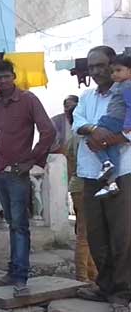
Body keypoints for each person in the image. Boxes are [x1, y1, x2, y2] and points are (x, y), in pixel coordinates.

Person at [0, 60, 55, 297]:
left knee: (20, 226)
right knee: (12, 222)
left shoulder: (28, 100)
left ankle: (21, 277)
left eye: (6, 77)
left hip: (17, 171)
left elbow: (49, 131)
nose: (2, 81)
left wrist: (32, 160)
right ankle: (12, 272)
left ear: (13, 76)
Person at [73, 46, 131, 311]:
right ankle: (104, 285)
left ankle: (122, 290)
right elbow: (77, 122)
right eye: (91, 66)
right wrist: (96, 131)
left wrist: (109, 138)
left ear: (114, 64)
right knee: (96, 235)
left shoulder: (127, 91)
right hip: (90, 173)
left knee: (122, 235)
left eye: (101, 65)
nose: (95, 71)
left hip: (122, 173)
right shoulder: (86, 96)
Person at [61, 98, 99, 283]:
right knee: (87, 233)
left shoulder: (71, 139)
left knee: (85, 232)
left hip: (76, 186)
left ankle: (90, 274)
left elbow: (69, 167)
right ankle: (83, 276)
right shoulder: (87, 136)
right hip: (87, 184)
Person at [89, 54, 131, 198]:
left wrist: (127, 126)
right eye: (113, 71)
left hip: (115, 120)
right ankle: (112, 182)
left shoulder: (127, 86)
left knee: (93, 134)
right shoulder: (121, 85)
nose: (114, 74)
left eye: (118, 70)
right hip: (119, 123)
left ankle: (106, 163)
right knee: (112, 149)